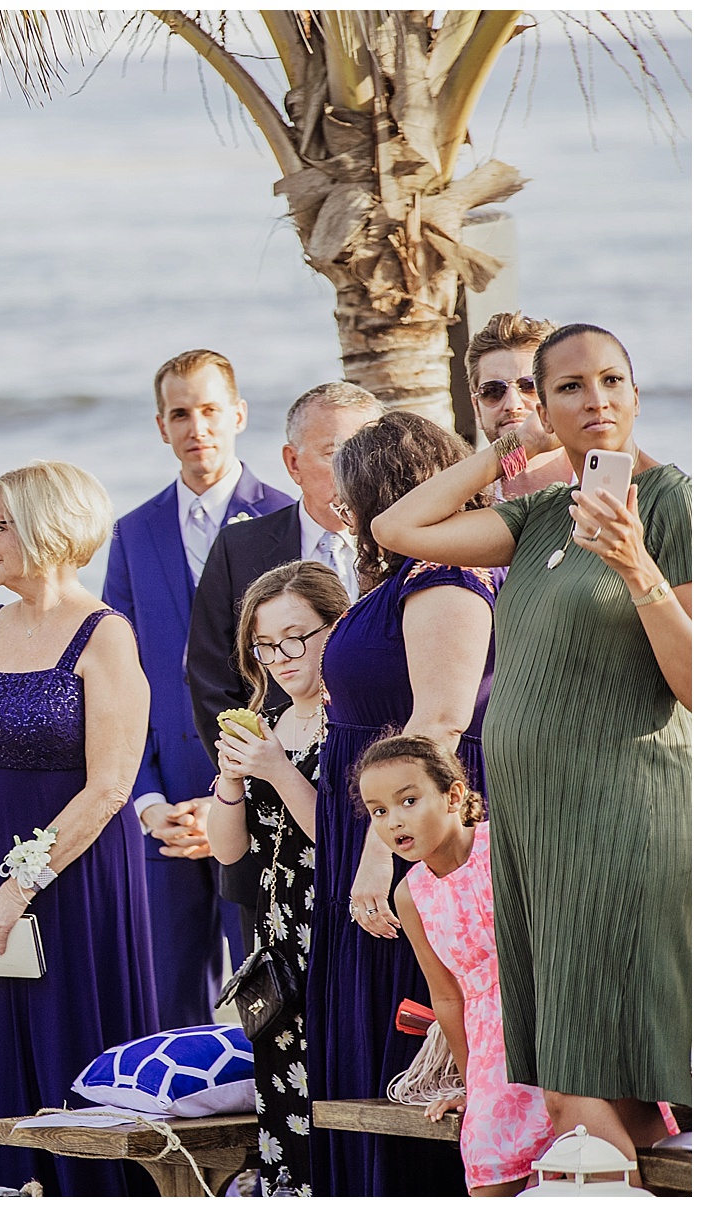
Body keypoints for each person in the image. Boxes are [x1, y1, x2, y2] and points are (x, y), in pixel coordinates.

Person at [371, 323, 691, 1171]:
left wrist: (637, 569)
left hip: (617, 813)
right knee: (591, 1082)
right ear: (544, 406)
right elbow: (398, 527)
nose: (597, 401)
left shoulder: (670, 502)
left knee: (573, 1082)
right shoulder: (544, 512)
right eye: (573, 388)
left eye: (613, 381)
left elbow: (693, 681)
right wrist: (506, 450)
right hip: (531, 829)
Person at [0, 460, 157, 1197]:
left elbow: (111, 785)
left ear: (45, 528)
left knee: (74, 1076)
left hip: (72, 892)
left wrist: (16, 890)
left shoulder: (104, 635)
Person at [307, 411, 494, 1197]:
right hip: (377, 817)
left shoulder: (445, 582)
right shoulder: (400, 578)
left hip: (407, 834)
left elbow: (442, 721)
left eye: (348, 497)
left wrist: (382, 851)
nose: (343, 516)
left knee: (405, 1019)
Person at [103, 348, 293, 1028]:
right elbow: (116, 678)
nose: (197, 427)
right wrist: (149, 801)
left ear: (238, 415)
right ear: (161, 426)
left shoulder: (286, 521)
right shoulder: (132, 533)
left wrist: (232, 798)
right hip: (165, 808)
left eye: (210, 410)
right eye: (180, 413)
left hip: (257, 794)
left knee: (268, 996)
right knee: (169, 1002)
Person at [189, 381, 380, 952]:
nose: (353, 469)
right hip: (267, 835)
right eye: (334, 452)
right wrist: (248, 768)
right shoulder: (239, 548)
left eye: (365, 449)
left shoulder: (405, 548)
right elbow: (210, 677)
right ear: (293, 463)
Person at [357, 734, 557, 1196]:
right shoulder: (411, 894)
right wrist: (474, 1086)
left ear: (453, 795)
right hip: (493, 1055)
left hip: (554, 1029)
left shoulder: (504, 846)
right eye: (379, 811)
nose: (394, 821)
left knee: (583, 1167)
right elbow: (447, 997)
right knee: (491, 1171)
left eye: (408, 800)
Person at [208, 560, 349, 1198]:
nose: (282, 656)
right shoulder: (270, 721)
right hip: (277, 937)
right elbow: (230, 852)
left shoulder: (353, 716)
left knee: (339, 1090)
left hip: (342, 927)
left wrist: (277, 769)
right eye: (266, 645)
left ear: (336, 627)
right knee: (284, 1098)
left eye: (297, 636)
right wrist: (233, 780)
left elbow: (346, 838)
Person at [466, 310, 571, 499]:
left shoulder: (604, 478)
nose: (512, 404)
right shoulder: (466, 497)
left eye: (530, 386)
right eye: (493, 391)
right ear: (476, 407)